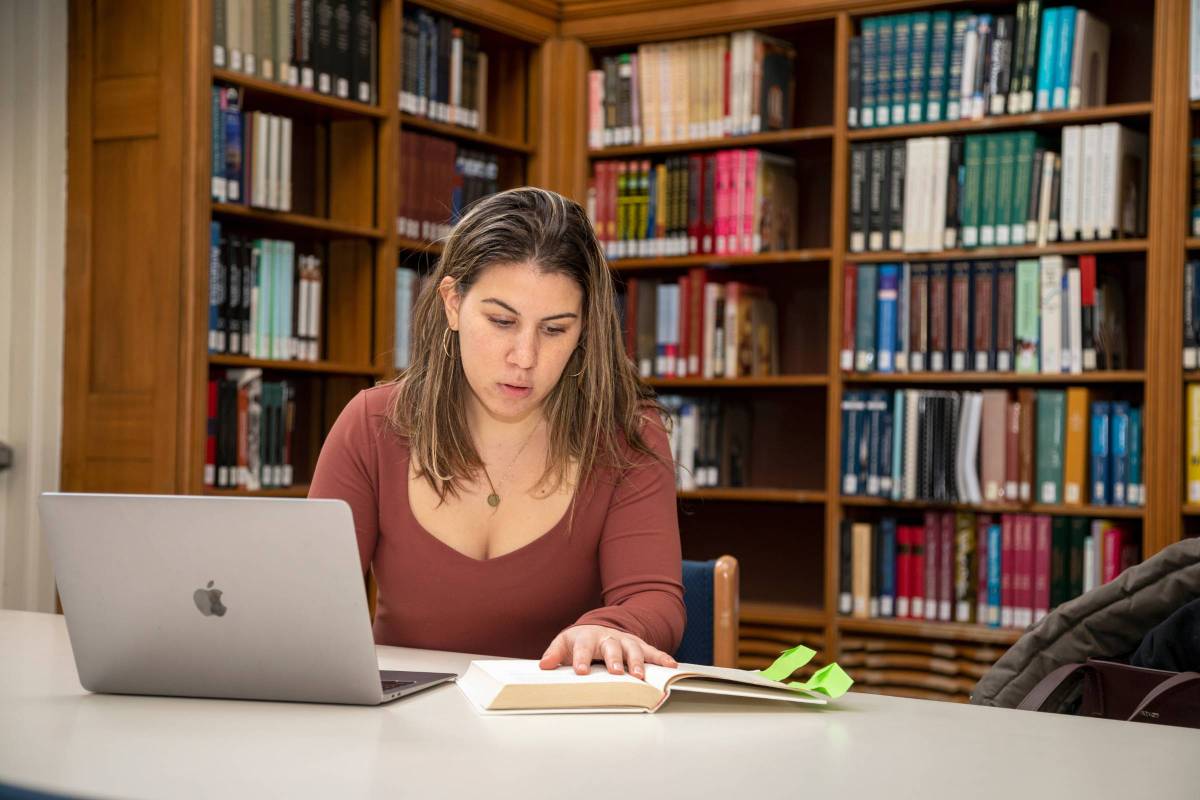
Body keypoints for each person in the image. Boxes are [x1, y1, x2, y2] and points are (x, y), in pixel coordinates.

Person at [309, 187, 685, 680]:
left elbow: (652, 598)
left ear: (586, 328)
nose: (524, 357)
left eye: (554, 330)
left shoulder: (625, 435)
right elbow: (310, 600)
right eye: (501, 321)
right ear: (451, 303)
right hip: (399, 732)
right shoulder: (373, 424)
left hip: (555, 731)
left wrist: (612, 628)